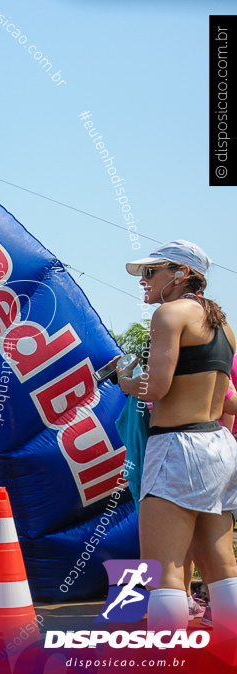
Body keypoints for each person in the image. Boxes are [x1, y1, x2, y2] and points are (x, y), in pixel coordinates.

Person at [115, 241, 237, 633]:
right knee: (220, 562)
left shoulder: (170, 315)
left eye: (151, 272)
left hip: (177, 446)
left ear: (181, 273)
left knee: (164, 566)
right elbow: (226, 399)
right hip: (217, 444)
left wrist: (125, 381)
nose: (143, 281)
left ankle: (166, 664)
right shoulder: (222, 325)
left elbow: (155, 389)